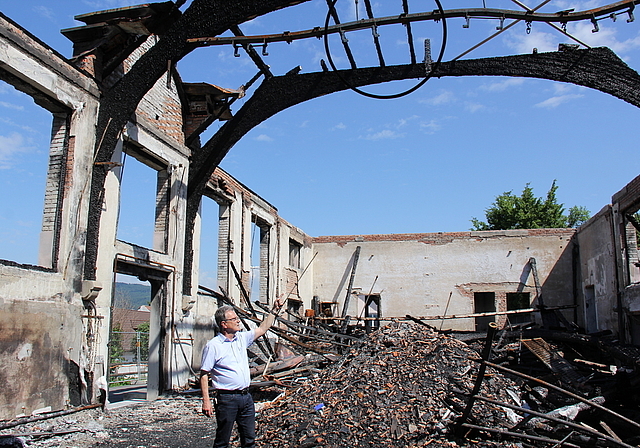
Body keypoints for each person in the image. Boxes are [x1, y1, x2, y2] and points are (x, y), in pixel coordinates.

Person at [200, 297, 284, 448]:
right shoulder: (214, 346)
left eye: (237, 318)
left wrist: (275, 310)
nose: (238, 321)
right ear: (224, 324)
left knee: (249, 439)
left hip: (246, 397)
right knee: (223, 440)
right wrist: (206, 400)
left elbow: (262, 328)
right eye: (234, 319)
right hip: (227, 399)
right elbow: (204, 374)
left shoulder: (241, 338)